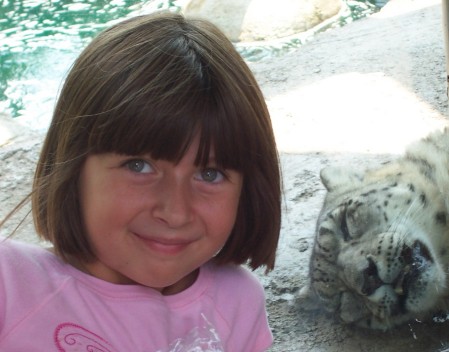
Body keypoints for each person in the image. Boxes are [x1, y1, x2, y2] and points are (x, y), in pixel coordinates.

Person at [0, 11, 281, 351]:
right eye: (139, 166)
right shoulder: (12, 285)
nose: (176, 212)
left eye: (210, 174)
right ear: (72, 168)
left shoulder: (236, 303)